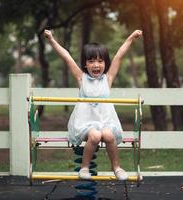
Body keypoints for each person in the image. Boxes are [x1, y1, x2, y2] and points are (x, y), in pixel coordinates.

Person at [44, 29, 142, 180]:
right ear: (85, 64)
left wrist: (131, 37)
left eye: (100, 61)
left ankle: (116, 167)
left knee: (108, 135)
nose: (96, 65)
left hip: (105, 122)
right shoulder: (81, 78)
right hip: (85, 123)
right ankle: (85, 167)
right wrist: (51, 40)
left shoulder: (107, 79)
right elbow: (67, 56)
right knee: (95, 136)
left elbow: (119, 55)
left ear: (105, 63)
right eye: (91, 61)